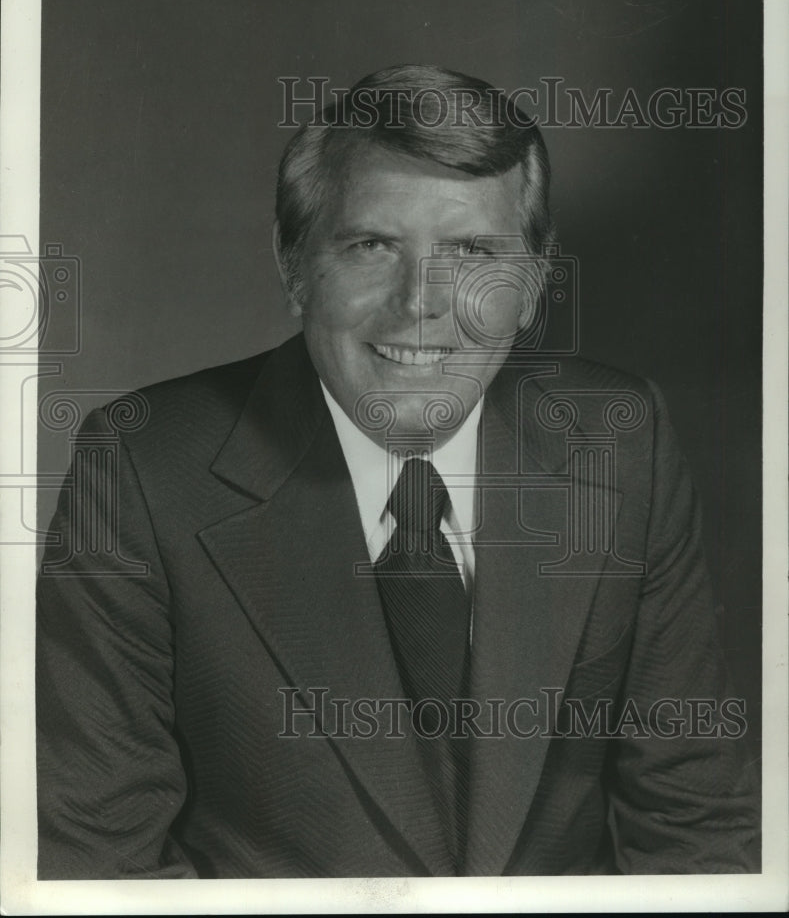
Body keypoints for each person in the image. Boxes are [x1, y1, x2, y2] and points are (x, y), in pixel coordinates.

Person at [36, 65, 759, 878]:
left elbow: (698, 824)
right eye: (372, 245)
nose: (421, 301)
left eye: (473, 251)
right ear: (293, 264)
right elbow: (93, 861)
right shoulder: (141, 466)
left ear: (532, 280)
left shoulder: (618, 442)